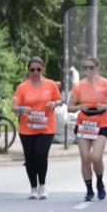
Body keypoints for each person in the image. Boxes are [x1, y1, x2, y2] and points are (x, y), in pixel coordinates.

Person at [11, 56, 63, 200]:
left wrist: (54, 104)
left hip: (46, 127)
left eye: (38, 69)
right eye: (32, 69)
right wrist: (22, 108)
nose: (35, 72)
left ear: (43, 70)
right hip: (27, 128)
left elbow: (59, 99)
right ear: (28, 71)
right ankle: (33, 188)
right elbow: (13, 107)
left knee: (41, 154)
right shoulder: (22, 87)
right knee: (30, 158)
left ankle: (42, 185)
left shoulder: (50, 84)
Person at [67, 57, 107, 201]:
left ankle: (100, 182)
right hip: (84, 124)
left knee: (96, 157)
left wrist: (105, 106)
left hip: (101, 123)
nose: (88, 70)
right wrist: (79, 107)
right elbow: (70, 107)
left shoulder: (105, 84)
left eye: (91, 67)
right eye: (85, 67)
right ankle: (89, 190)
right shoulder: (79, 86)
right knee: (85, 158)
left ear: (97, 68)